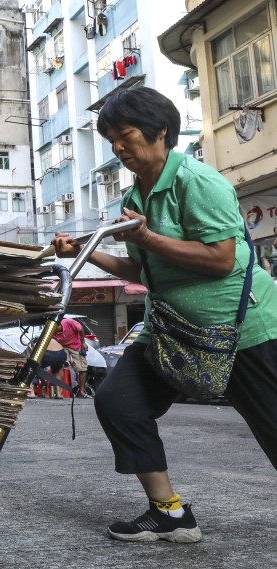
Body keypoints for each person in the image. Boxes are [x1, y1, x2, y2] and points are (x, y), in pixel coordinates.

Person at [52, 86, 277, 544]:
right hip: (169, 329)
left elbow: (220, 259)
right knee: (119, 402)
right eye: (109, 138)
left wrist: (148, 237)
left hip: (240, 330)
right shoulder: (134, 198)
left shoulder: (198, 181)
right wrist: (89, 253)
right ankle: (169, 512)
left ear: (160, 132)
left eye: (125, 135)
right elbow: (146, 270)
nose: (116, 147)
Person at [53, 317, 88, 397]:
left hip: (76, 345)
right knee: (59, 366)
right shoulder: (51, 330)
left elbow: (81, 328)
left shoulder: (69, 322)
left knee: (82, 368)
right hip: (62, 346)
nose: (54, 331)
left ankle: (81, 390)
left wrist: (83, 343)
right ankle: (59, 391)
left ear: (59, 325)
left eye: (56, 328)